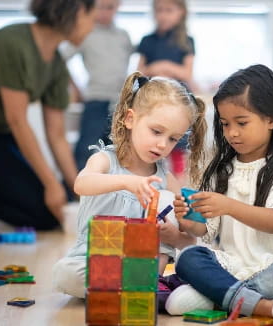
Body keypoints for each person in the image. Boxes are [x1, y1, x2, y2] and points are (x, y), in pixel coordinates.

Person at [171, 65, 273, 324]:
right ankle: (268, 307)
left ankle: (223, 296)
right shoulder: (221, 169)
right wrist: (187, 221)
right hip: (231, 267)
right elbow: (205, 229)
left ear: (272, 119)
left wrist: (228, 205)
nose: (232, 133)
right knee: (187, 257)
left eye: (241, 123)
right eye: (225, 124)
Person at [0, 0, 97, 228]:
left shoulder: (57, 65)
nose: (92, 27)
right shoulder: (13, 43)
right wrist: (51, 185)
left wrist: (79, 192)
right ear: (80, 11)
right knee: (42, 213)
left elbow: (57, 135)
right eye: (92, 19)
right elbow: (17, 120)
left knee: (58, 201)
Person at [52, 71, 208, 298]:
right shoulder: (105, 160)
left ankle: (143, 284)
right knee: (64, 274)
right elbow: (81, 184)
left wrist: (173, 236)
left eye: (173, 139)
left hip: (142, 266)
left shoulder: (165, 179)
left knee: (166, 198)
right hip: (93, 261)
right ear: (130, 119)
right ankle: (133, 288)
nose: (163, 144)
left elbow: (192, 240)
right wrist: (128, 182)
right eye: (156, 131)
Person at [60, 0, 133, 171]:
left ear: (118, 7)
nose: (105, 12)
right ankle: (77, 191)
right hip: (95, 99)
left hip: (120, 102)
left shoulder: (123, 35)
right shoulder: (85, 32)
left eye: (110, 7)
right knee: (87, 148)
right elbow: (60, 58)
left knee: (118, 150)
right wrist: (75, 88)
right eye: (100, 7)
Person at [137, 0, 196, 182]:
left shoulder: (186, 41)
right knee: (153, 141)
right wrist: (155, 69)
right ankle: (150, 182)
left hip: (178, 101)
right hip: (153, 101)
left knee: (177, 145)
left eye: (169, 10)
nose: (163, 15)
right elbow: (139, 72)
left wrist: (163, 66)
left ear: (181, 13)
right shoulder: (148, 40)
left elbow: (186, 72)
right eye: (159, 10)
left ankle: (178, 188)